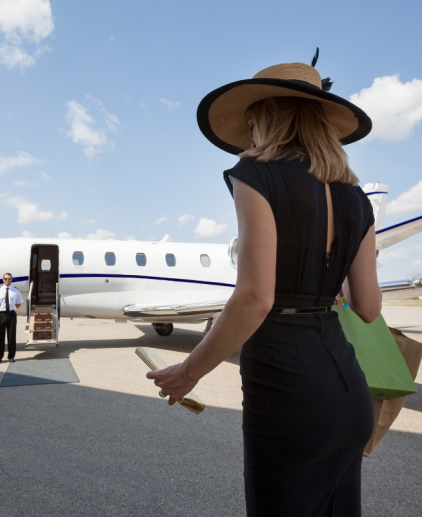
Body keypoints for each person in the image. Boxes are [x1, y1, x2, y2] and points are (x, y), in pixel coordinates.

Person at [148, 60, 382, 516]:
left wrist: (190, 372)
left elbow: (256, 298)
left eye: (251, 123)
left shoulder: (255, 174)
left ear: (268, 118)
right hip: (347, 390)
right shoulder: (357, 197)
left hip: (288, 387)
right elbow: (368, 306)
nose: (249, 136)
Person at [0, 273, 23, 363]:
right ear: (3, 279)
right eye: (6, 278)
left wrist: (12, 308)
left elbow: (19, 303)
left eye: (9, 279)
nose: (8, 280)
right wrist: (0, 309)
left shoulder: (15, 290)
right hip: (1, 314)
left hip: (11, 314)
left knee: (11, 336)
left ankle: (11, 356)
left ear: (11, 280)